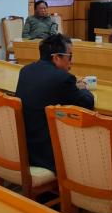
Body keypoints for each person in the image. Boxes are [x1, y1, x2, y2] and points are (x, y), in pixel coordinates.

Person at [16, 34, 94, 172]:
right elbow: (87, 103)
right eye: (70, 56)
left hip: (23, 149)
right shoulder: (63, 78)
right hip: (48, 155)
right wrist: (83, 88)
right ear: (57, 57)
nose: (72, 61)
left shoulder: (25, 70)